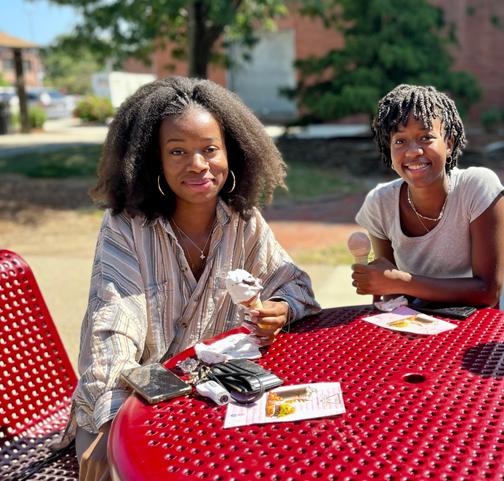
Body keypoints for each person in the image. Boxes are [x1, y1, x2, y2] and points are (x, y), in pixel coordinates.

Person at [67, 76, 321, 481]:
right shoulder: (125, 227)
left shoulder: (243, 221)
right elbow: (111, 328)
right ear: (154, 161)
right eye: (178, 151)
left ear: (231, 153)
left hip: (210, 400)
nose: (198, 164)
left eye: (209, 149)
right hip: (129, 402)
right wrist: (109, 423)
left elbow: (296, 285)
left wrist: (280, 308)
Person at [352, 84, 504, 307]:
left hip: (475, 330)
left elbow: (488, 292)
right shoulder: (380, 203)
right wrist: (377, 282)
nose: (413, 151)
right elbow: (389, 294)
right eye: (400, 140)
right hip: (413, 327)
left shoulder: (477, 187)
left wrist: (402, 282)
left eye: (425, 137)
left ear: (449, 143)